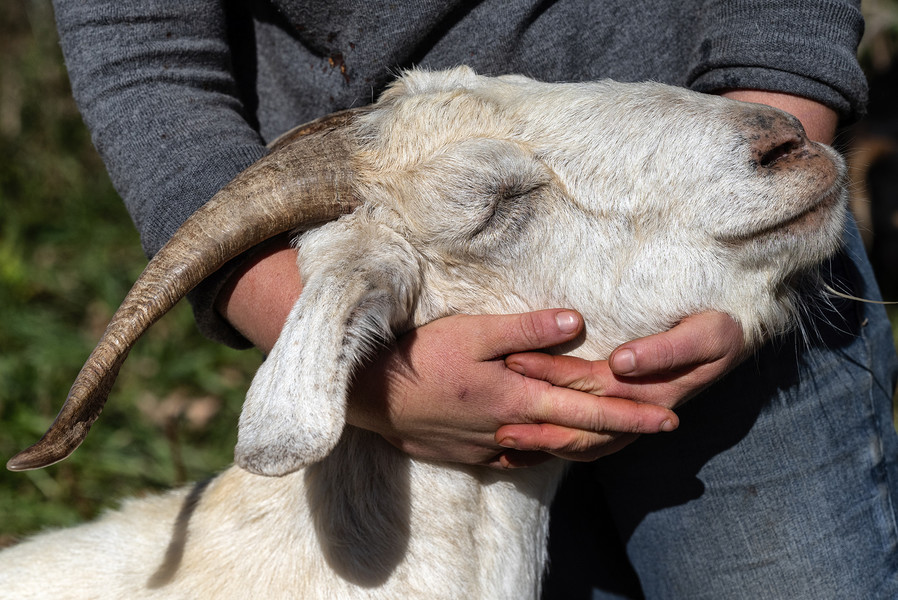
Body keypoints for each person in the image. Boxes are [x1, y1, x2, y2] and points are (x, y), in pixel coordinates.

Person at [52, 1, 898, 597]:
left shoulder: (766, 164)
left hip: (738, 236)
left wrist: (780, 99)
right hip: (423, 283)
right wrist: (382, 377)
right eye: (499, 201)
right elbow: (145, 54)